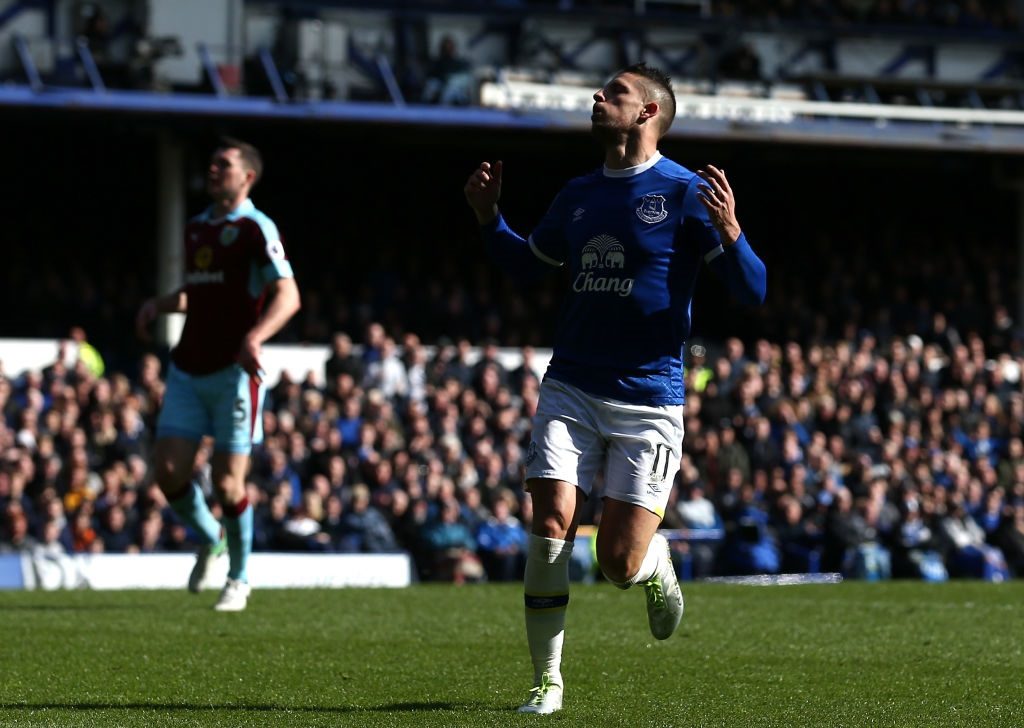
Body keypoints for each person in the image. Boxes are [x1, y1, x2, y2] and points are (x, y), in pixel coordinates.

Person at [463, 62, 766, 714]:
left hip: (649, 399)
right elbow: (526, 266)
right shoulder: (576, 194)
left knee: (617, 564)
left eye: (615, 94)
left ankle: (652, 563)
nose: (598, 98)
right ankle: (547, 683)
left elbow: (753, 292)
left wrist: (734, 235)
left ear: (649, 113)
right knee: (549, 526)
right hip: (570, 384)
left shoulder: (686, 193)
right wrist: (489, 219)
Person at [135, 137, 301, 611]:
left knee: (228, 484)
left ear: (247, 176)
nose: (213, 170)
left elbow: (288, 295)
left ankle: (240, 578)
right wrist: (160, 304)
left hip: (234, 372)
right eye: (210, 164)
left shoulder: (255, 228)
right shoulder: (195, 230)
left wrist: (256, 337)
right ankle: (212, 539)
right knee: (168, 473)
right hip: (187, 367)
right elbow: (200, 291)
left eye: (223, 165)